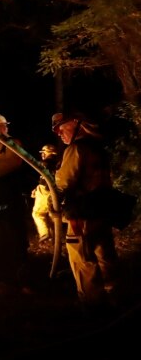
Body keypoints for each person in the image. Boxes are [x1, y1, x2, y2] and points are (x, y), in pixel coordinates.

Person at [51, 111, 120, 309]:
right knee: (105, 253)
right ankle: (115, 294)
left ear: (76, 123)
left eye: (62, 128)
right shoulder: (98, 148)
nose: (59, 133)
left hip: (82, 215)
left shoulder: (76, 149)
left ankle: (92, 304)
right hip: (102, 210)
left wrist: (57, 175)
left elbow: (64, 181)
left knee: (82, 258)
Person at [0, 114, 30, 286]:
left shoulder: (13, 143)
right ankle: (3, 268)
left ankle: (21, 268)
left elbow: (15, 163)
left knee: (14, 228)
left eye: (3, 126)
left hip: (11, 191)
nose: (2, 129)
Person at [30, 144, 62, 243]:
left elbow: (44, 171)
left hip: (46, 190)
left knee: (38, 213)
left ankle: (44, 233)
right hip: (52, 191)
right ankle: (55, 239)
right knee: (51, 215)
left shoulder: (48, 162)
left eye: (44, 152)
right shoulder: (60, 162)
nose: (42, 155)